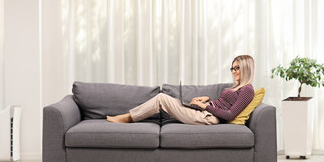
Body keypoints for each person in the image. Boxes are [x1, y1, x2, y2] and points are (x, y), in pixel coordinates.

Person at [107, 55, 255, 125]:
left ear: (246, 68)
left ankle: (128, 118)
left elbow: (229, 114)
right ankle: (129, 117)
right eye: (232, 68)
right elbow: (223, 104)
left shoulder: (247, 90)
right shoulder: (237, 87)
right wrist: (207, 99)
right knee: (165, 99)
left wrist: (206, 106)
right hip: (206, 112)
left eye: (237, 68)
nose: (234, 71)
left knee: (161, 99)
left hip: (209, 118)